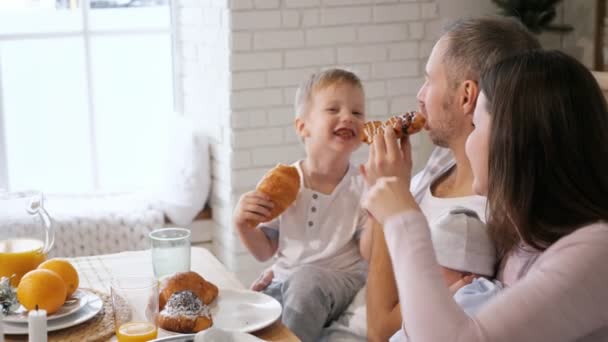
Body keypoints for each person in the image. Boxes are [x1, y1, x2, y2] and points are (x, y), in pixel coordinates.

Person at [363, 49, 608, 341]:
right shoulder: (523, 236)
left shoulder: (596, 251)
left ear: (512, 139)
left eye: (477, 126)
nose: (469, 144)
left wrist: (402, 218)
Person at [362, 17, 541, 341]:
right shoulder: (442, 160)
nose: (420, 94)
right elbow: (369, 256)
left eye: (429, 80)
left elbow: (381, 329)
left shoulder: (472, 221)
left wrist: (386, 195)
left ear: (466, 96)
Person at [233, 68, 372, 342]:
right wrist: (241, 223)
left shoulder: (363, 185)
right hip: (286, 280)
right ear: (302, 127)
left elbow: (370, 253)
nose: (347, 117)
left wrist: (379, 207)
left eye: (357, 113)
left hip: (339, 281)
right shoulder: (284, 182)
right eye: (333, 109)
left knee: (306, 282)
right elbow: (265, 251)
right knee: (244, 314)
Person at [388, 208, 502, 342]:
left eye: (431, 268)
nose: (423, 276)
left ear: (467, 276)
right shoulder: (445, 298)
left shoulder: (479, 292)